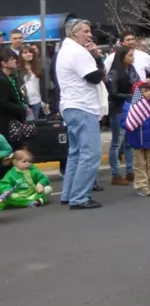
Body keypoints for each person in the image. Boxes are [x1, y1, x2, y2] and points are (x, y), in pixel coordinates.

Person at [55, 19, 106, 210]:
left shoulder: (65, 50)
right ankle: (79, 197)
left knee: (75, 153)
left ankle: (69, 194)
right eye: (86, 31)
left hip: (71, 106)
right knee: (91, 154)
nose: (90, 34)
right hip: (83, 107)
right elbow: (94, 77)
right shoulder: (77, 51)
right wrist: (97, 57)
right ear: (74, 33)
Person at [106, 46, 139, 186]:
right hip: (119, 109)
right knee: (117, 142)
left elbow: (138, 84)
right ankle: (115, 174)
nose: (133, 58)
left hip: (131, 109)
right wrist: (130, 96)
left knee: (129, 141)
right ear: (122, 57)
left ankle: (130, 171)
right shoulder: (114, 73)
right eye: (130, 55)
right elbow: (112, 93)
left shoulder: (132, 70)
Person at [124, 81, 150, 197]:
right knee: (139, 164)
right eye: (145, 91)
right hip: (137, 139)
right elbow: (125, 122)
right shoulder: (130, 106)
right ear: (137, 93)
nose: (149, 93)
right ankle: (141, 185)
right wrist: (133, 123)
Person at [0, 48, 29, 151]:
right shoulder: (2, 80)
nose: (15, 61)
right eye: (12, 59)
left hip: (15, 122)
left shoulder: (11, 78)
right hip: (6, 124)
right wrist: (21, 109)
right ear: (4, 63)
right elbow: (3, 103)